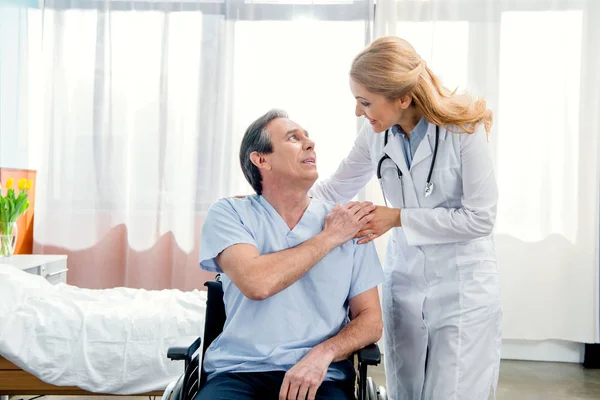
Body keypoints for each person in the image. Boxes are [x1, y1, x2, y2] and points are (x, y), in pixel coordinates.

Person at [309, 36, 502, 400]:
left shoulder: (465, 129)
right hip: (406, 281)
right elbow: (334, 189)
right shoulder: (374, 136)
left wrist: (398, 217)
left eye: (365, 102)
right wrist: (266, 205)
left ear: (402, 98)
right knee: (406, 392)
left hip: (463, 285)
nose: (358, 112)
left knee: (454, 393)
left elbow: (480, 219)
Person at [197, 109, 385, 400]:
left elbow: (371, 320)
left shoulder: (349, 223)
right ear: (261, 159)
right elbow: (257, 283)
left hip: (322, 376)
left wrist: (324, 353)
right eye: (294, 138)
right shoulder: (230, 214)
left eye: (307, 138)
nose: (310, 144)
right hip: (238, 373)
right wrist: (330, 237)